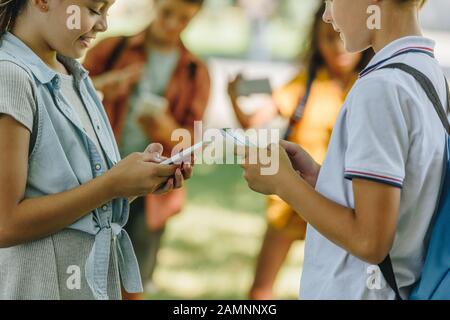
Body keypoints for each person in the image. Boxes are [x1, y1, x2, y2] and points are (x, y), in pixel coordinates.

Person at [240, 0, 448, 299]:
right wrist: (322, 180)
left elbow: (370, 242)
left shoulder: (380, 88)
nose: (326, 14)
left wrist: (282, 184)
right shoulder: (425, 71)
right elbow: (404, 199)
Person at [0, 0, 192, 300]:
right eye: (93, 9)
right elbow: (5, 223)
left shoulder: (75, 75)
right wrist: (110, 186)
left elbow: (77, 200)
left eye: (107, 10)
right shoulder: (10, 76)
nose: (103, 25)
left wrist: (135, 183)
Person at [228, 3, 372, 299]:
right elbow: (251, 122)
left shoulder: (368, 85)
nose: (337, 47)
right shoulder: (303, 84)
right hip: (289, 202)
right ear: (315, 42)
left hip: (337, 203)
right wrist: (232, 96)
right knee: (261, 288)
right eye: (327, 38)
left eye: (342, 36)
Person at [83, 0, 210, 299]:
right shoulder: (112, 49)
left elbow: (196, 142)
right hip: (96, 178)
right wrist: (102, 86)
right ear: (154, 4)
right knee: (82, 276)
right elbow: (65, 98)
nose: (171, 24)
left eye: (183, 19)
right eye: (167, 13)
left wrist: (167, 128)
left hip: (152, 192)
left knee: (131, 284)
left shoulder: (195, 71)